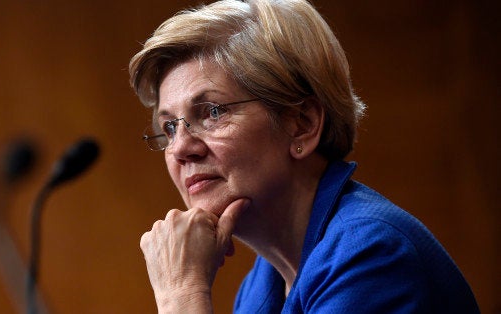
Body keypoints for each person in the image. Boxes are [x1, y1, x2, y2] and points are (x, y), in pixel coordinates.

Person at [129, 0, 480, 312]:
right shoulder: (261, 284)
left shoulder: (371, 254)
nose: (180, 148)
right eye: (170, 128)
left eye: (213, 112)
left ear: (302, 124)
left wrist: (182, 292)